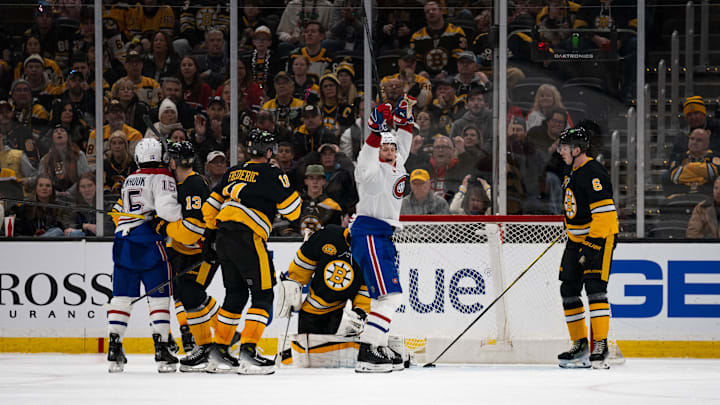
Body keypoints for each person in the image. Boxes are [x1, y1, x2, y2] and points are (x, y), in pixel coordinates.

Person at [201, 129, 302, 374]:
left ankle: (219, 352)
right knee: (263, 295)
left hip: (223, 236)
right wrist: (282, 180)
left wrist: (211, 234)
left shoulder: (233, 171)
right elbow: (293, 211)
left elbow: (210, 206)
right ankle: (248, 352)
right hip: (248, 237)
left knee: (235, 295)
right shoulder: (272, 172)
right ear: (269, 152)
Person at [106, 137, 185, 373]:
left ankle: (113, 348)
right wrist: (187, 217)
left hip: (122, 241)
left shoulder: (131, 178)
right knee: (158, 298)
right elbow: (167, 211)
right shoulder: (162, 177)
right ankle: (162, 351)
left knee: (122, 297)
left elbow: (121, 210)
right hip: (149, 242)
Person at [351, 95, 415, 372]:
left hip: (384, 236)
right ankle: (368, 351)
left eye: (392, 147)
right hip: (369, 233)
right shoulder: (369, 169)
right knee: (390, 296)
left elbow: (404, 143)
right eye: (384, 146)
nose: (390, 150)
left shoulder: (398, 163)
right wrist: (375, 130)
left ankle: (377, 346)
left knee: (383, 297)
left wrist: (404, 119)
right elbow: (367, 155)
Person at [153, 141, 221, 372]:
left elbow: (193, 230)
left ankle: (210, 346)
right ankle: (225, 337)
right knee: (185, 293)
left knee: (191, 293)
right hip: (189, 251)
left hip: (204, 250)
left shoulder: (193, 184)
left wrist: (164, 227)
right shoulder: (182, 183)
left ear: (174, 161)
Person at [556, 127, 618, 370]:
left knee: (595, 286)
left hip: (600, 238)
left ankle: (600, 344)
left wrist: (591, 245)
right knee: (568, 287)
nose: (560, 151)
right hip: (576, 240)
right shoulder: (570, 171)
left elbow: (605, 216)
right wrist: (572, 233)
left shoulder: (593, 171)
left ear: (577, 149)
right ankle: (580, 344)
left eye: (564, 147)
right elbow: (575, 208)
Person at [275, 224, 371, 364]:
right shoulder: (328, 236)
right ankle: (287, 359)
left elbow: (366, 287)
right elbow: (305, 260)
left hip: (338, 314)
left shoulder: (369, 253)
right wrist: (293, 283)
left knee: (328, 361)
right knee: (307, 360)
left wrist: (360, 311)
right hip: (310, 313)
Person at [667, 128, 720, 196]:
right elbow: (675, 177)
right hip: (682, 197)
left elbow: (713, 173)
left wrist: (688, 167)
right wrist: (702, 178)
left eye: (699, 140)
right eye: (692, 139)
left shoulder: (715, 156)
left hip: (710, 196)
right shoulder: (679, 157)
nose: (694, 142)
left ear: (707, 144)